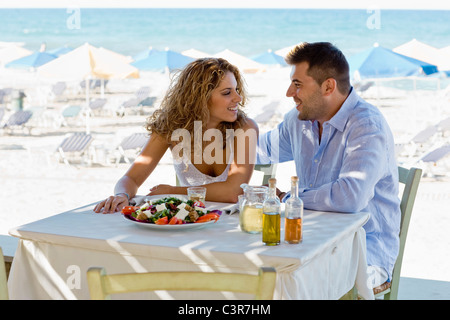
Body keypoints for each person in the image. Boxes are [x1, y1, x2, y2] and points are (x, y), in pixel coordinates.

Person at [257, 42, 401, 290]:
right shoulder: (299, 121)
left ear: (328, 86)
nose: (289, 92)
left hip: (365, 251)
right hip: (311, 240)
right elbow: (261, 149)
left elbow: (350, 197)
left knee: (291, 284)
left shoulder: (366, 126)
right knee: (260, 273)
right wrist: (208, 140)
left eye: (298, 84)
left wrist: (290, 198)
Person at [94, 58, 258, 213]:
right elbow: (131, 178)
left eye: (236, 90)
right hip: (189, 221)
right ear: (201, 98)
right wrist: (122, 195)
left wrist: (172, 191)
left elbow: (233, 192)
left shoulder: (245, 128)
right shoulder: (170, 128)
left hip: (231, 224)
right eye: (227, 92)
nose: (238, 98)